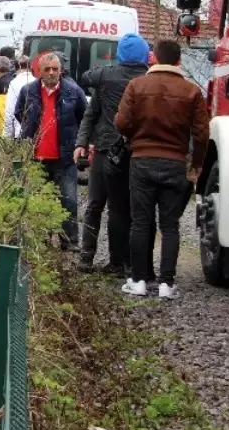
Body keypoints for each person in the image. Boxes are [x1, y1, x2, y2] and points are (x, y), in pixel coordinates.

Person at [115, 39, 210, 299]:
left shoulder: (136, 86)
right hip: (175, 163)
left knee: (141, 223)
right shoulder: (192, 92)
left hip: (142, 160)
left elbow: (121, 122)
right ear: (179, 61)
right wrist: (197, 164)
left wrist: (135, 138)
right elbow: (202, 134)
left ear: (153, 58)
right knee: (170, 226)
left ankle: (138, 281)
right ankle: (167, 284)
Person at [73, 33, 150, 276]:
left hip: (105, 149)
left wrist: (82, 142)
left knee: (95, 204)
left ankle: (87, 257)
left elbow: (90, 114)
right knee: (122, 208)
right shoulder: (148, 80)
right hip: (135, 151)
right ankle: (119, 262)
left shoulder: (104, 78)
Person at [13, 52, 87, 249]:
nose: (52, 72)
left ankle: (69, 241)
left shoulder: (74, 91)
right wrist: (31, 133)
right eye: (48, 69)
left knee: (68, 200)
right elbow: (19, 112)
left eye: (55, 68)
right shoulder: (28, 91)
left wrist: (78, 142)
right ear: (40, 71)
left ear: (61, 70)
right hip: (37, 157)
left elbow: (84, 117)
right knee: (38, 200)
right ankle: (42, 239)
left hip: (64, 157)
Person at [3, 55, 34, 138]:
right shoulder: (37, 82)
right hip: (36, 133)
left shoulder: (14, 83)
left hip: (20, 131)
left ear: (16, 68)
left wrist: (7, 135)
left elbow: (9, 111)